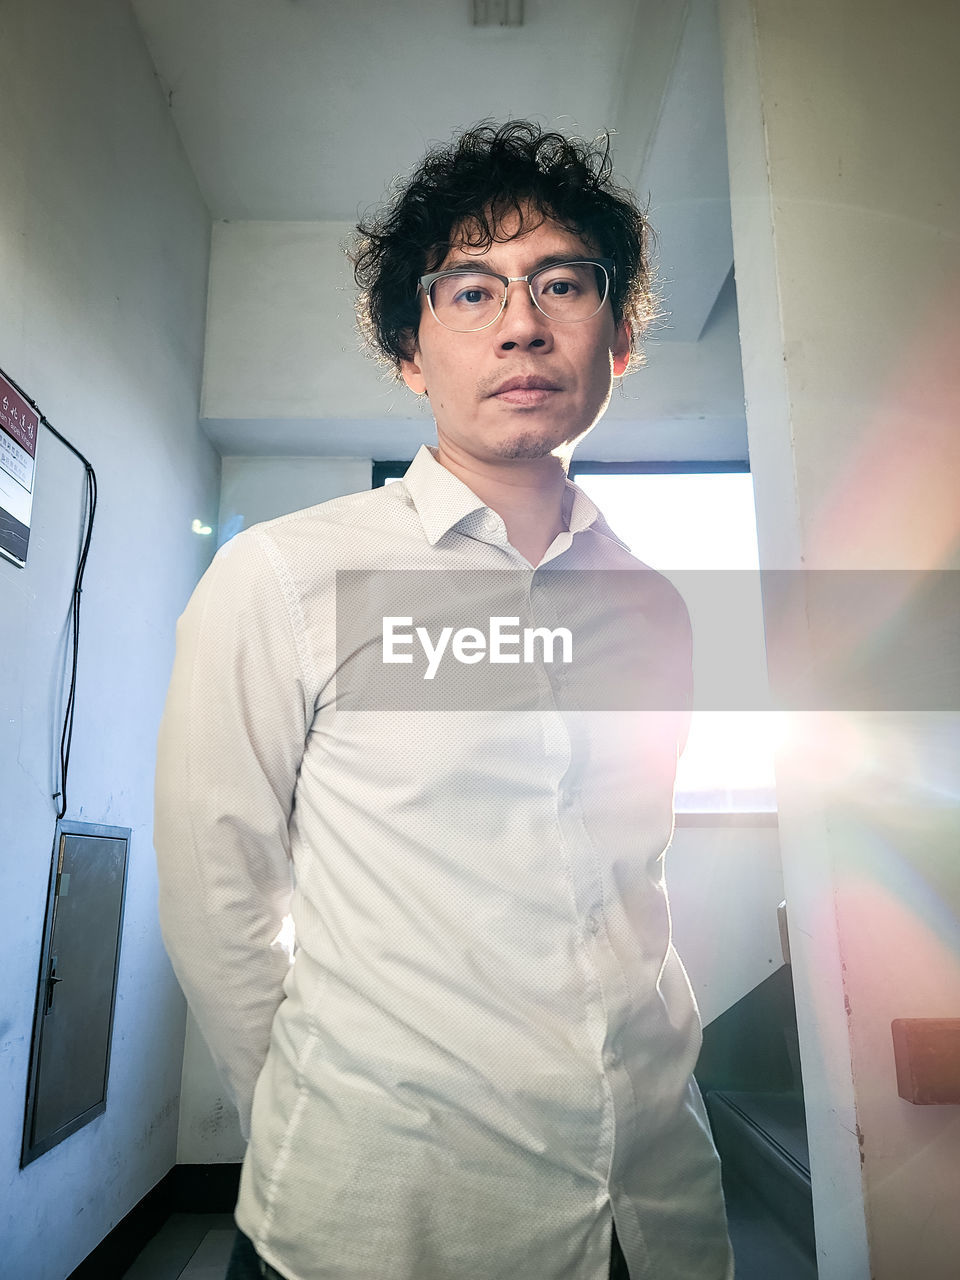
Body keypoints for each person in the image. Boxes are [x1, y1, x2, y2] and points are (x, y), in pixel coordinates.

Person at [154, 120, 733, 1280]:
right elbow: (220, 891)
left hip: (650, 1208)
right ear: (413, 354)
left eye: (563, 282)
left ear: (618, 338)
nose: (522, 321)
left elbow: (627, 887)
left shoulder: (654, 607)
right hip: (378, 1218)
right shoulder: (283, 576)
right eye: (471, 291)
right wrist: (329, 1105)